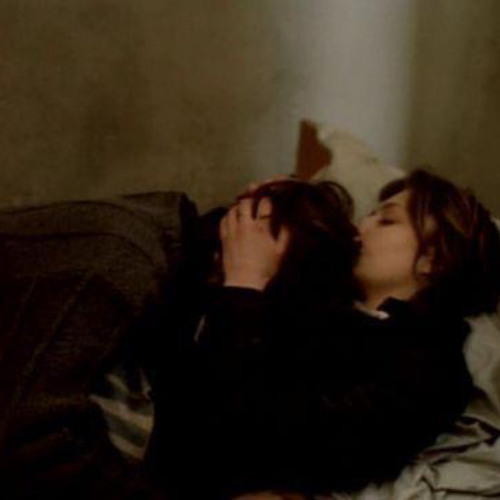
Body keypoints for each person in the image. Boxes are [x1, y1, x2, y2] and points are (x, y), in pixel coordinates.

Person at [148, 168, 500, 499]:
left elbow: (267, 434)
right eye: (370, 214)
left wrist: (244, 283)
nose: (361, 226)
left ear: (434, 259)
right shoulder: (330, 299)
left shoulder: (428, 367)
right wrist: (273, 206)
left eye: (387, 220)